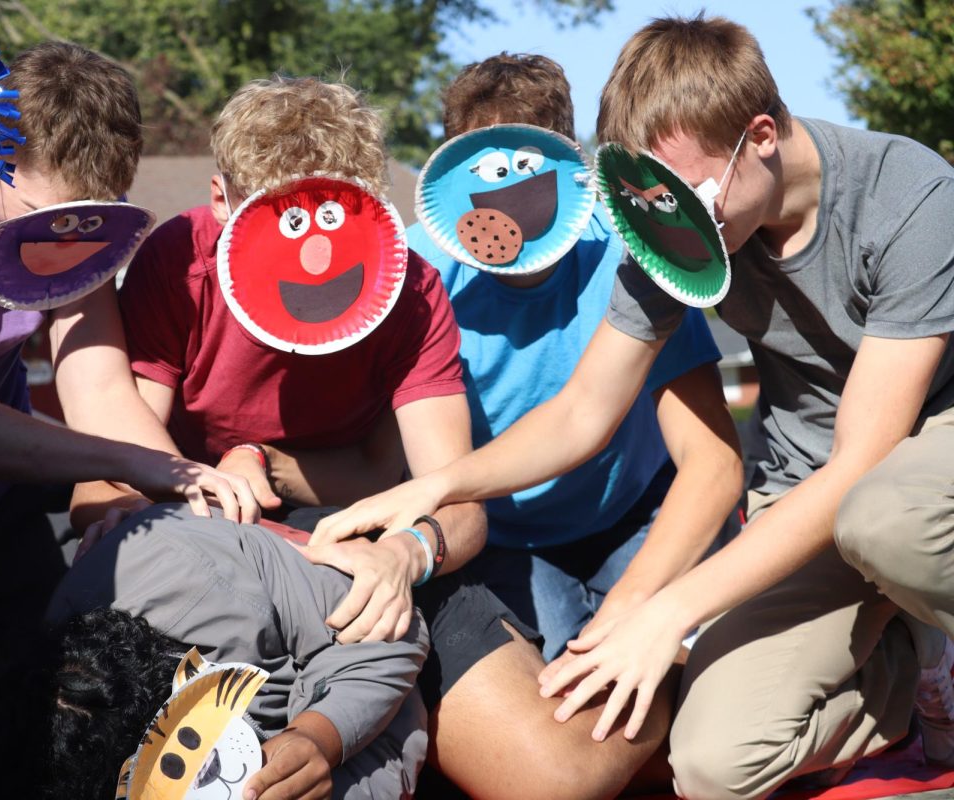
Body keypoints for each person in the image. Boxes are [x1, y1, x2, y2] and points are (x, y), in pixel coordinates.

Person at [317, 14, 954, 798]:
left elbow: (861, 460)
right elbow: (585, 408)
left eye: (688, 192)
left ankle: (927, 621)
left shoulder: (912, 199)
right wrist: (441, 488)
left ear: (759, 135)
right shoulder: (678, 227)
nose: (669, 219)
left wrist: (660, 608)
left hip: (920, 453)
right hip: (811, 485)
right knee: (713, 765)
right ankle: (908, 671)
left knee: (885, 521)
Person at [76, 76, 673, 799]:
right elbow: (111, 466)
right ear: (220, 200)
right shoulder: (178, 264)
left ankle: (682, 679)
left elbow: (458, 501)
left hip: (360, 554)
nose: (317, 261)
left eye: (341, 224)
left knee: (554, 778)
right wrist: (123, 509)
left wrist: (406, 552)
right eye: (283, 228)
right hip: (209, 545)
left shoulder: (410, 288)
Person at [0, 41, 257, 679]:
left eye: (85, 224)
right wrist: (135, 464)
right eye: (38, 219)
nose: (63, 244)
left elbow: (100, 392)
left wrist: (191, 490)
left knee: (54, 699)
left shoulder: (77, 231)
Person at [400, 53, 741, 660]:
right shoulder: (416, 274)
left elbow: (711, 458)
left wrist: (631, 609)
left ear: (568, 159)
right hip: (504, 539)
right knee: (563, 694)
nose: (508, 200)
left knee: (682, 667)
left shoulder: (633, 245)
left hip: (635, 512)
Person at [0, 504, 427, 800]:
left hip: (377, 602)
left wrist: (316, 740)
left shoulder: (205, 581)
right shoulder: (17, 732)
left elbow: (392, 640)